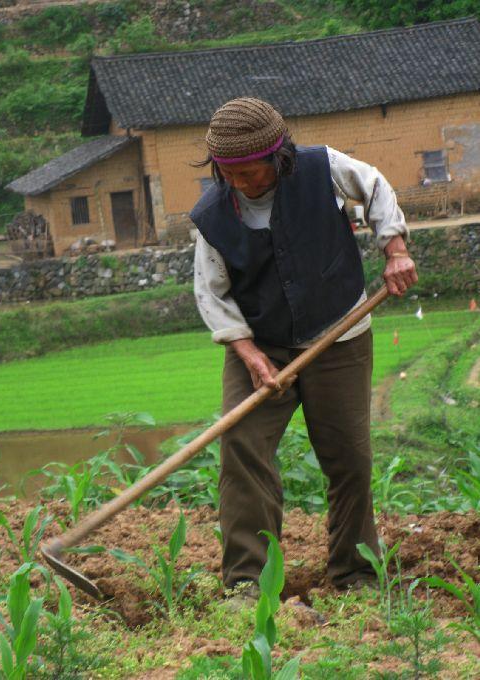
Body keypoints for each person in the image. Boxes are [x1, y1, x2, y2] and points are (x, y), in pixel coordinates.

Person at [190, 97, 417, 597]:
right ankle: (248, 580)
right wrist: (248, 353)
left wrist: (394, 247)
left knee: (348, 459)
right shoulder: (211, 216)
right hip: (260, 345)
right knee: (242, 452)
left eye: (252, 173)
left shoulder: (321, 168)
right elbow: (212, 291)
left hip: (339, 333)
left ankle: (354, 574)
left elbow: (376, 189)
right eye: (231, 174)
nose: (243, 184)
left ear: (279, 157)